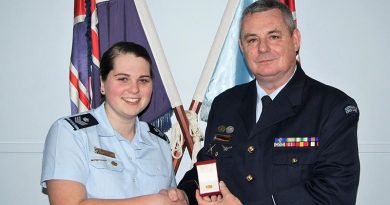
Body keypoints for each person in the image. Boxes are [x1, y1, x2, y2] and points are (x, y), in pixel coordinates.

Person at [178, 0, 360, 204]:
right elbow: (208, 168)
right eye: (252, 40)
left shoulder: (333, 108)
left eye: (273, 37)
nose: (263, 48)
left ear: (295, 39)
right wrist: (184, 195)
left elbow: (334, 194)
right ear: (241, 47)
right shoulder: (225, 104)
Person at [41, 41, 188, 205]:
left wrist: (179, 198)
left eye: (143, 80)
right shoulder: (70, 133)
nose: (134, 89)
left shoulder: (159, 141)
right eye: (123, 79)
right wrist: (153, 202)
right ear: (102, 84)